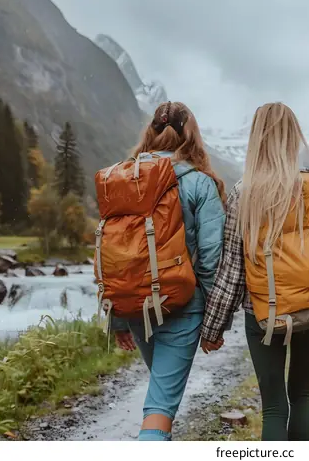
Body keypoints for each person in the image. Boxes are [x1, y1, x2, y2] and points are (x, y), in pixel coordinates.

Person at [200, 102, 309, 441]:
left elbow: (231, 271)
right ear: (292, 139)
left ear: (257, 139)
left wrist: (213, 328)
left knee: (273, 407)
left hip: (263, 315)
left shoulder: (243, 194)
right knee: (302, 396)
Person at [110, 101, 226, 442]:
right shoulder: (199, 183)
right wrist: (213, 322)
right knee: (160, 407)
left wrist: (119, 316)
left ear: (151, 131)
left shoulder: (122, 177)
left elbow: (114, 254)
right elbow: (211, 260)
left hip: (134, 305)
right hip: (181, 305)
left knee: (162, 395)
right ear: (191, 135)